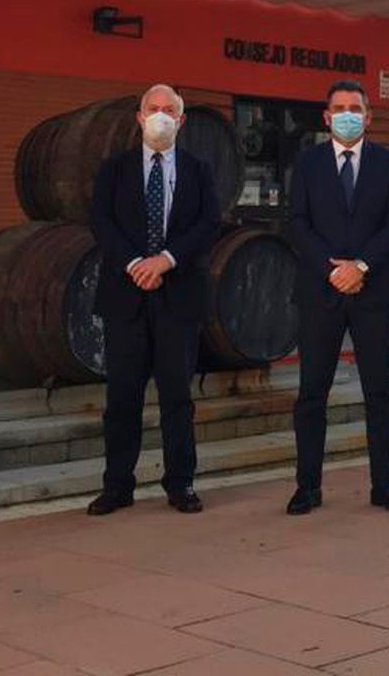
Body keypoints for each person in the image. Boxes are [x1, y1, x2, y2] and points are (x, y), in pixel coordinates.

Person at [87, 84, 221, 515]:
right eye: (153, 109)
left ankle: (180, 484)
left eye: (169, 110)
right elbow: (101, 222)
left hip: (177, 297)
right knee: (122, 397)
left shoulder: (199, 171)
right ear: (140, 118)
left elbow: (208, 224)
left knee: (177, 397)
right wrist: (134, 263)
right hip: (125, 297)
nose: (161, 116)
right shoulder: (115, 169)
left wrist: (165, 260)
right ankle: (117, 486)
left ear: (181, 121)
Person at [285, 79, 389, 515]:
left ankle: (384, 484)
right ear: (325, 116)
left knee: (380, 392)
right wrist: (332, 269)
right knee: (311, 394)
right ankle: (307, 486)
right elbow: (297, 223)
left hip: (372, 290)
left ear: (369, 116)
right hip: (320, 292)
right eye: (338, 107)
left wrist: (360, 267)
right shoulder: (308, 163)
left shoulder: (387, 162)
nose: (346, 113)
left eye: (354, 107)